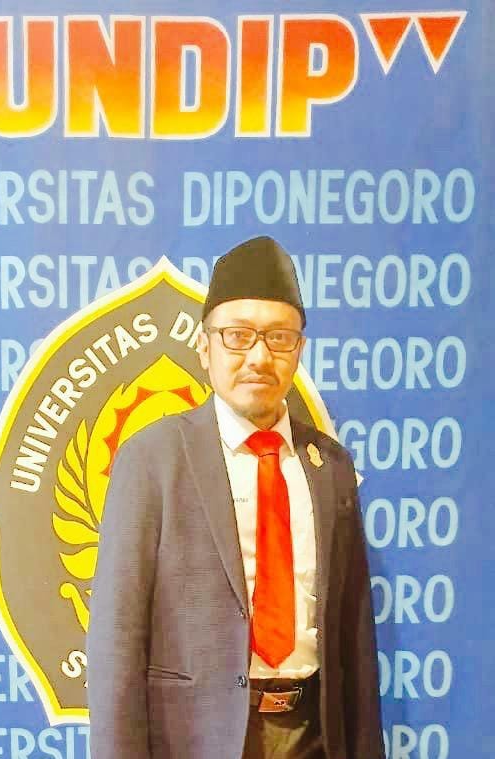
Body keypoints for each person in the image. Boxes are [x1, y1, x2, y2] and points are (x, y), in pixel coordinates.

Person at [87, 236, 385, 759]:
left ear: (299, 351)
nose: (259, 357)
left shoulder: (331, 467)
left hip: (316, 735)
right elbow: (116, 641)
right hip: (195, 740)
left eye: (279, 338)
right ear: (205, 349)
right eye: (238, 336)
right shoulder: (153, 460)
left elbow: (355, 638)